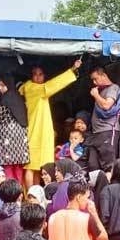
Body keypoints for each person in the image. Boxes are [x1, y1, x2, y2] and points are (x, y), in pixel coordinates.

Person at [21, 58, 82, 189]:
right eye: (35, 74)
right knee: (30, 167)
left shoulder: (35, 88)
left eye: (40, 74)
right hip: (34, 131)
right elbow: (52, 85)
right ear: (31, 76)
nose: (37, 77)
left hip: (40, 132)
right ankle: (30, 196)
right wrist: (71, 71)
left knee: (38, 167)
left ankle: (36, 194)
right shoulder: (32, 88)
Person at [85, 66, 120, 172]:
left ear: (104, 75)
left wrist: (96, 95)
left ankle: (110, 188)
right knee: (93, 165)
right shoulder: (102, 91)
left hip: (108, 131)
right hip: (96, 133)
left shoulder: (113, 88)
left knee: (108, 165)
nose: (94, 82)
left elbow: (107, 105)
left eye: (95, 78)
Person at [0, 75, 30, 183]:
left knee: (7, 168)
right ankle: (18, 193)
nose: (0, 88)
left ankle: (9, 194)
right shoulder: (19, 98)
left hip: (7, 140)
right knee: (18, 168)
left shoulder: (5, 98)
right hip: (20, 139)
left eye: (2, 85)